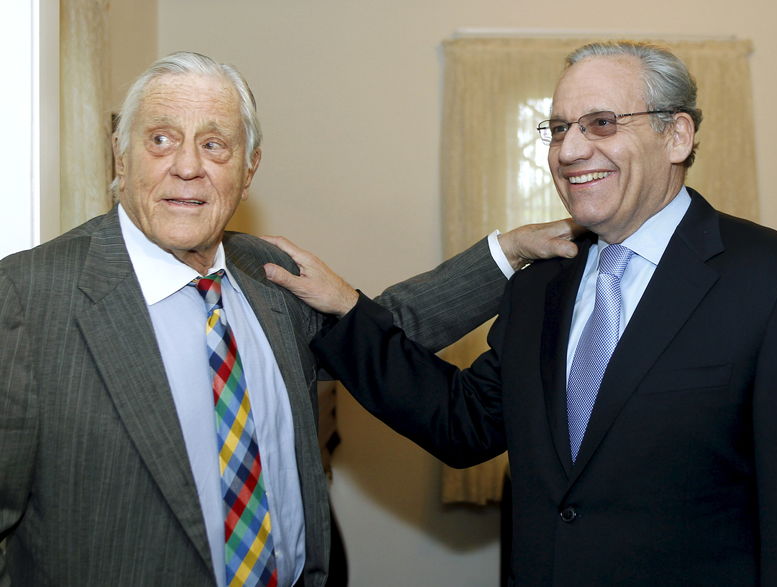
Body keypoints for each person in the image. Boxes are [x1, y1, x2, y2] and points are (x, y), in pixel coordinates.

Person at [0, 51, 578, 586]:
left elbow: (378, 329)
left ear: (249, 169)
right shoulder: (28, 297)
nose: (186, 167)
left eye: (215, 145)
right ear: (119, 156)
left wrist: (511, 249)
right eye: (160, 139)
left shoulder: (266, 271)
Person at [266, 41, 777, 585]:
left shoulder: (774, 278)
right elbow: (463, 422)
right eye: (560, 128)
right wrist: (349, 311)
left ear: (676, 136)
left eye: (601, 123)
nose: (569, 151)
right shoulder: (542, 283)